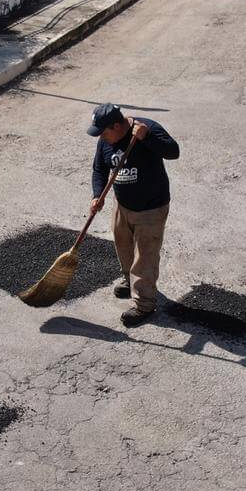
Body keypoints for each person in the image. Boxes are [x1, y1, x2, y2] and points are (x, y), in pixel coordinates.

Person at [88, 103, 180, 327]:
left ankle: (145, 305)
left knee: (145, 257)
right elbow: (99, 169)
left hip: (151, 207)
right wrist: (96, 195)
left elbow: (173, 152)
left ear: (117, 125)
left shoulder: (147, 128)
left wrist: (147, 138)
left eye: (103, 131)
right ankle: (130, 280)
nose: (100, 136)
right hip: (122, 204)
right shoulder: (105, 141)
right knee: (123, 245)